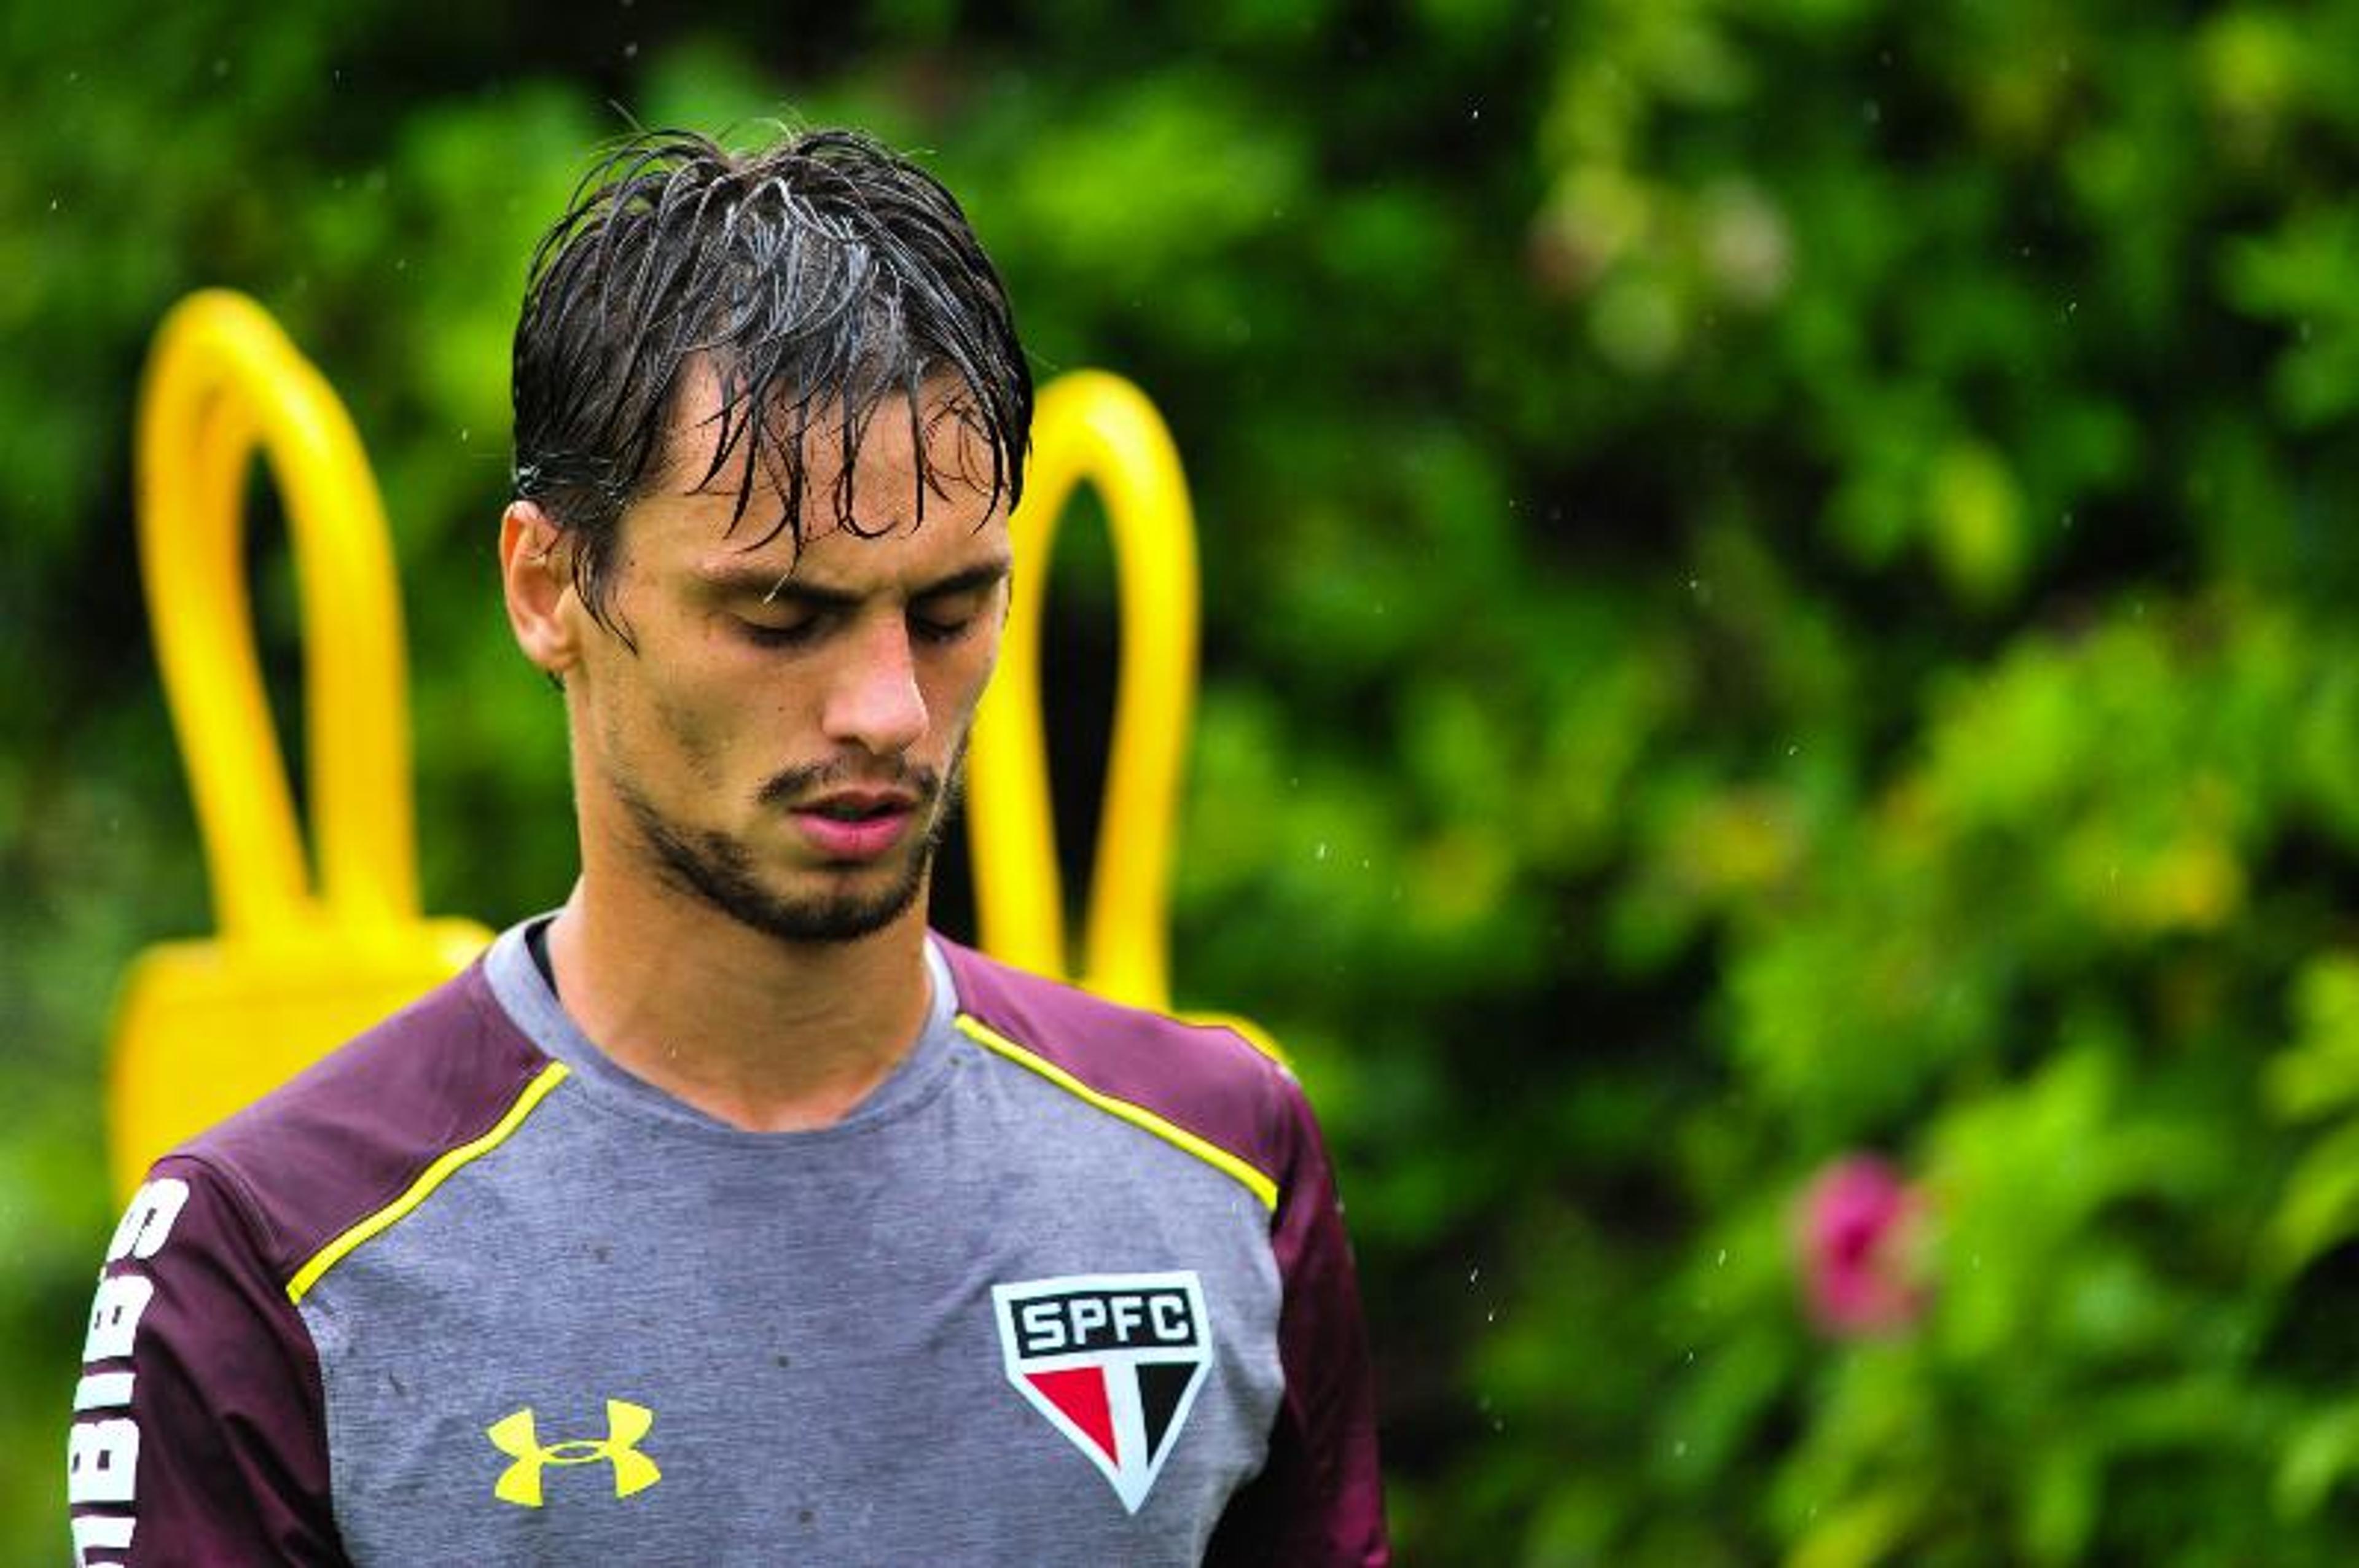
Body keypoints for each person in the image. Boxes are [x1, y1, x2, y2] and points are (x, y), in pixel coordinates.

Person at [63, 127, 1388, 1565]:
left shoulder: (1221, 1162)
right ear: (549, 584)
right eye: (779, 617)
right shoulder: (266, 1254)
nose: (888, 709)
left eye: (949, 613)